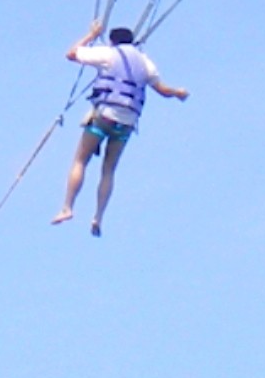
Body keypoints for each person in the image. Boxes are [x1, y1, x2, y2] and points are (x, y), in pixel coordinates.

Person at [54, 22, 187, 233]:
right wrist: (178, 92)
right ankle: (98, 217)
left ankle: (67, 207)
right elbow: (162, 90)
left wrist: (92, 34)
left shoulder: (107, 54)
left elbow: (71, 54)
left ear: (113, 41)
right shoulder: (145, 63)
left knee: (80, 160)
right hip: (126, 124)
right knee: (109, 169)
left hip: (104, 117)